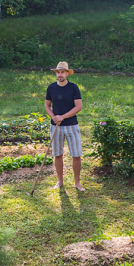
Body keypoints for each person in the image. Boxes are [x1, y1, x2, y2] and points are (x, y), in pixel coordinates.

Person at [44, 61, 84, 191]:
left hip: (71, 125)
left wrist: (63, 117)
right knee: (57, 154)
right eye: (58, 72)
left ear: (67, 73)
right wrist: (53, 117)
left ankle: (77, 182)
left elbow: (79, 107)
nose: (60, 74)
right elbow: (47, 105)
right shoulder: (51, 88)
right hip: (55, 126)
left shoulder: (73, 88)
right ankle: (60, 181)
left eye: (62, 72)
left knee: (76, 154)